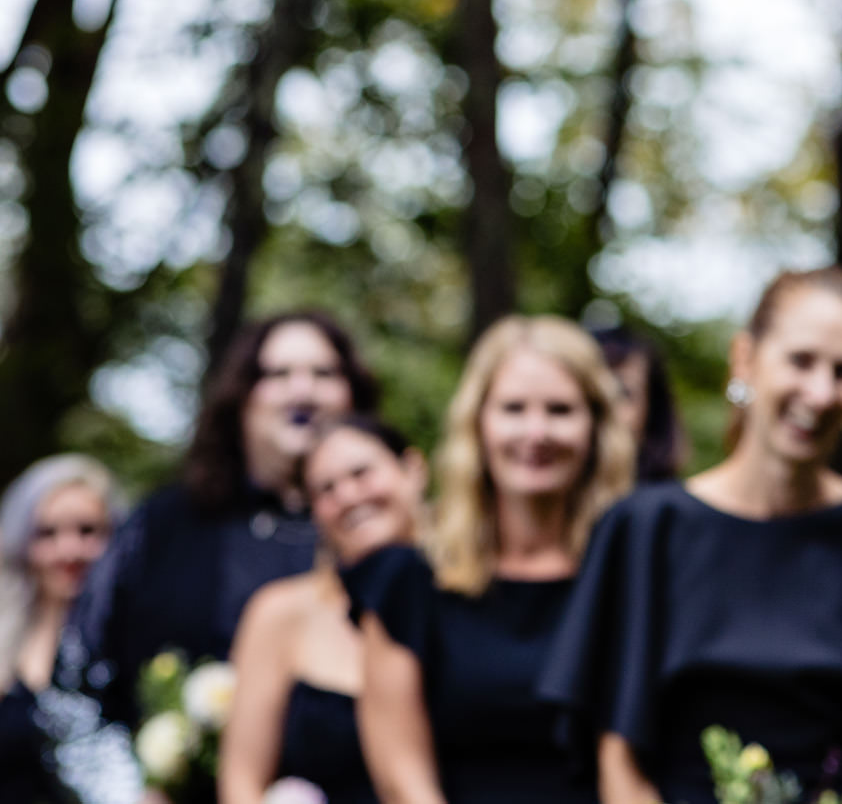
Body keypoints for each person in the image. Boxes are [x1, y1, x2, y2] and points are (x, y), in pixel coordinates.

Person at [541, 268, 842, 804]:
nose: (821, 392)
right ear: (745, 359)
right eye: (801, 361)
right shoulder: (643, 531)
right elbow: (617, 756)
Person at [345, 316, 633, 804]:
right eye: (514, 409)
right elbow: (403, 778)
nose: (536, 432)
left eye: (560, 410)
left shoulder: (630, 580)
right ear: (477, 424)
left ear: (596, 428)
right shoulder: (409, 582)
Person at [60, 313, 375, 733]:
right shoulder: (163, 523)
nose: (303, 391)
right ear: (241, 395)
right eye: (277, 374)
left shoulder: (382, 532)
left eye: (324, 373)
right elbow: (80, 672)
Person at [217, 416, 428, 804]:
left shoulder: (470, 597)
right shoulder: (278, 613)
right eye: (326, 489)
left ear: (413, 469)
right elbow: (241, 783)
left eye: (361, 473)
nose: (348, 495)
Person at [0, 456, 124, 804]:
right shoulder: (5, 638)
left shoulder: (130, 644)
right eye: (47, 533)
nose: (68, 550)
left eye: (87, 531)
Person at [591, 326, 685, 483]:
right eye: (593, 391)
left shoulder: (668, 505)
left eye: (623, 392)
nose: (604, 406)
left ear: (653, 411)